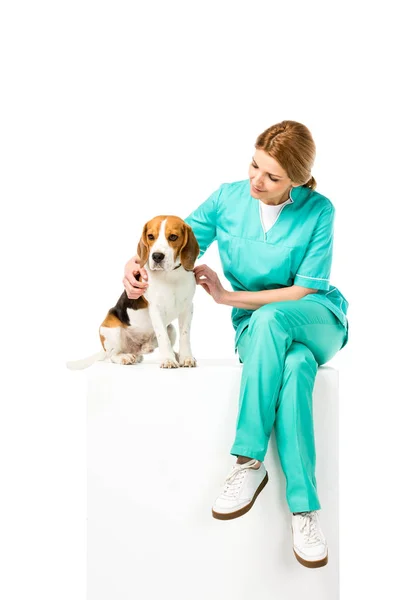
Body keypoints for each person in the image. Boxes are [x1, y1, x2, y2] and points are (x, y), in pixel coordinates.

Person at [123, 120, 349, 569]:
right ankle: (305, 511)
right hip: (259, 332)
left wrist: (227, 297)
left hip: (317, 316)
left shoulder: (320, 210)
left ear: (298, 181)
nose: (256, 180)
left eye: (271, 176)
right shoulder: (228, 198)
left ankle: (248, 461)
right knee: (298, 367)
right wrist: (134, 266)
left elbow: (302, 292)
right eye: (253, 165)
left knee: (275, 321)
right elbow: (174, 242)